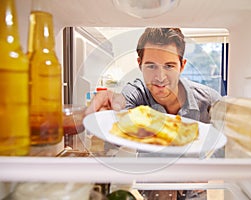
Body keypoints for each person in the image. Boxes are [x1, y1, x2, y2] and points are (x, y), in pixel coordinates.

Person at [85, 28, 222, 200]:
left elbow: (230, 140)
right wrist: (109, 113)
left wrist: (210, 166)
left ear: (182, 65)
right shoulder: (136, 93)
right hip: (151, 191)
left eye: (169, 66)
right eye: (151, 66)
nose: (160, 77)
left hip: (193, 192)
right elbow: (120, 106)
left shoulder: (207, 100)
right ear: (139, 63)